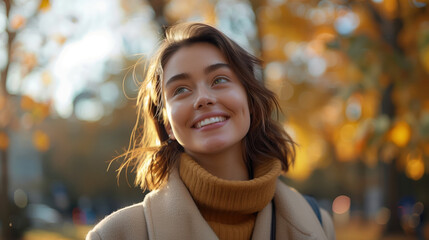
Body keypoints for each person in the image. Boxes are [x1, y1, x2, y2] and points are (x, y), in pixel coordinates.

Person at [86, 22, 335, 240]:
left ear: (249, 100)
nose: (203, 99)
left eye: (219, 80)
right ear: (167, 125)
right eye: (181, 90)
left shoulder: (319, 223)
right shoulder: (113, 235)